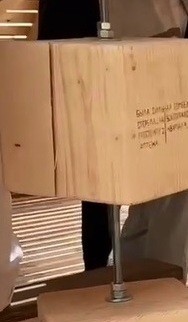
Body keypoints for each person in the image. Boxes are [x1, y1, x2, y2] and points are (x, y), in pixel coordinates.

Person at [110, 0, 188, 281]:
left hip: (122, 87)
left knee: (141, 213)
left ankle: (130, 292)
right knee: (174, 211)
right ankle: (165, 298)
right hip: (170, 94)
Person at [37, 0, 112, 272]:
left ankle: (96, 264)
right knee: (97, 181)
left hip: (71, 60)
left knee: (95, 183)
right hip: (87, 64)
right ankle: (97, 264)